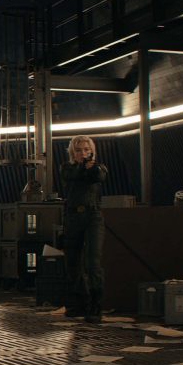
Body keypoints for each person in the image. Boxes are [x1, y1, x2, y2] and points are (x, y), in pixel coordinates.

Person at [60, 135, 108, 324]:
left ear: (92, 151)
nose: (83, 153)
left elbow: (99, 176)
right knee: (72, 262)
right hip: (73, 216)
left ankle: (95, 306)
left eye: (86, 149)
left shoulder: (99, 167)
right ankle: (78, 304)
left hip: (92, 216)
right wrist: (82, 166)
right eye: (79, 150)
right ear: (73, 152)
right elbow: (72, 176)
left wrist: (91, 166)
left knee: (92, 262)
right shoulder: (67, 168)